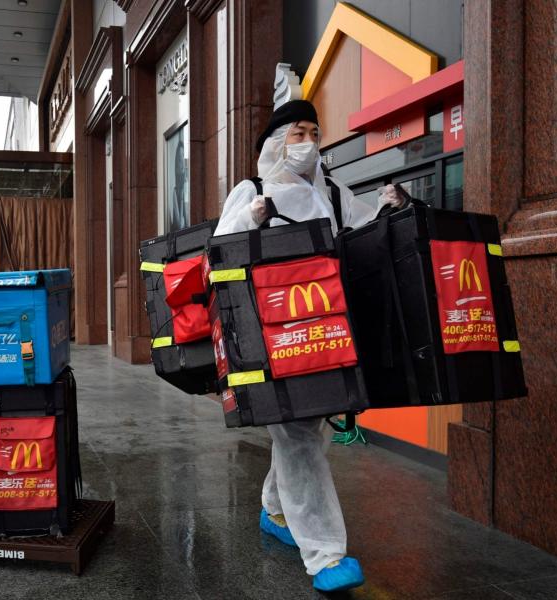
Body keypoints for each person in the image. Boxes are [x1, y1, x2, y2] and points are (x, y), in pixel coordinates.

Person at [215, 100, 404, 592]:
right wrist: (251, 222)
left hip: (326, 331)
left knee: (310, 430)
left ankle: (275, 512)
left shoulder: (334, 195)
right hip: (272, 337)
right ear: (276, 140)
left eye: (315, 133)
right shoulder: (251, 190)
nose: (309, 143)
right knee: (298, 434)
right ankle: (324, 555)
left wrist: (393, 208)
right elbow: (219, 253)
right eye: (298, 132)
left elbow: (366, 231)